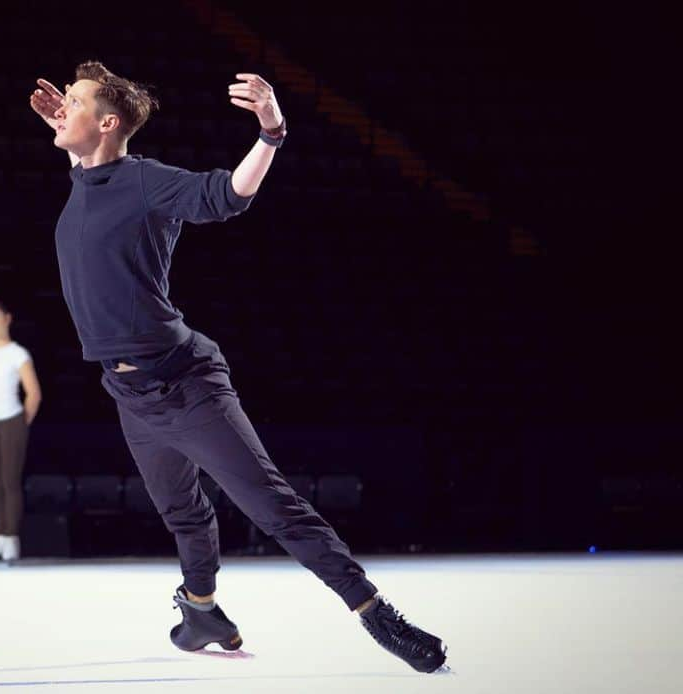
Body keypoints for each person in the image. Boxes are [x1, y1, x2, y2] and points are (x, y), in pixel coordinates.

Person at [28, 61, 447, 673]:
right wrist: (67, 132)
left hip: (183, 382)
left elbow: (227, 197)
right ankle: (201, 609)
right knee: (181, 509)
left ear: (109, 122)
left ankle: (375, 612)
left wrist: (271, 132)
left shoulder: (145, 181)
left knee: (272, 507)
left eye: (77, 101)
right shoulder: (85, 180)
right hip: (128, 392)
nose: (63, 106)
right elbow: (94, 179)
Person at [0, 296, 42, 562]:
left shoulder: (18, 353)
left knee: (10, 480)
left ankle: (11, 536)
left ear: (7, 319)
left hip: (12, 420)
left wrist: (20, 423)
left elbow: (33, 393)